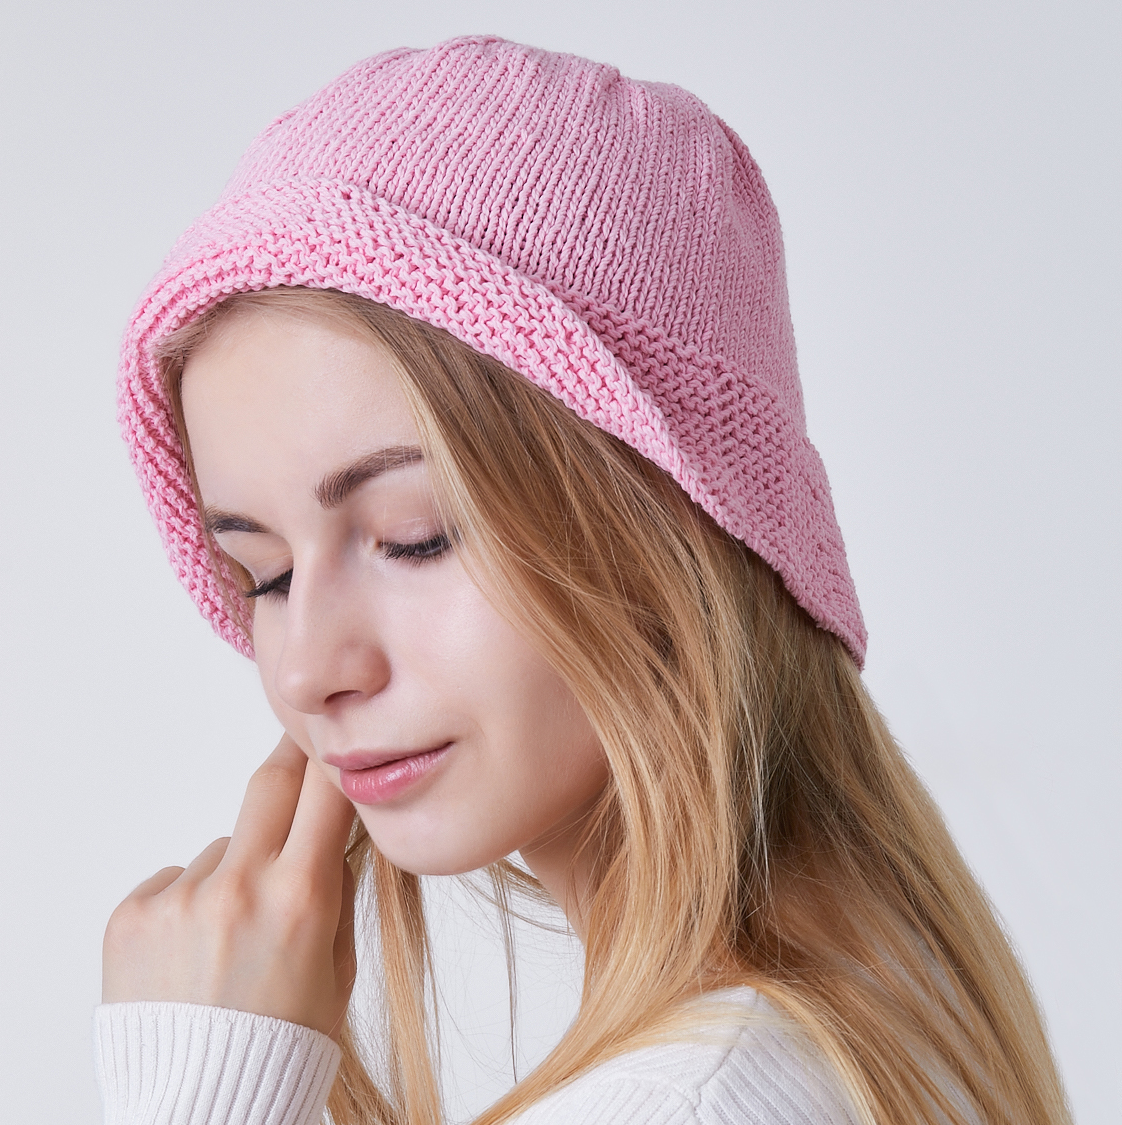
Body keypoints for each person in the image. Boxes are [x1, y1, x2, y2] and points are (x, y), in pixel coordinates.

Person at [96, 35, 1072, 1125]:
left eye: (413, 536)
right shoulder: (876, 1018)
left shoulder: (676, 1105)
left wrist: (201, 1087)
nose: (307, 669)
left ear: (668, 522)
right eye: (262, 573)